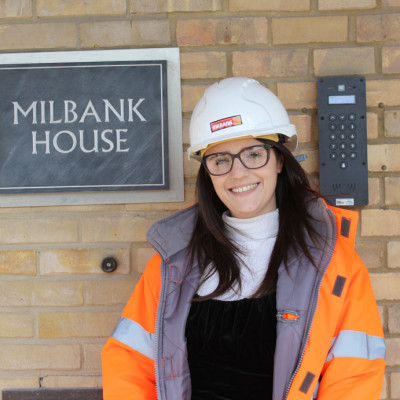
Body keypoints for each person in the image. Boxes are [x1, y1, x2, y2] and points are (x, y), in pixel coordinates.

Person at [102, 77, 385, 400]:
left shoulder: (334, 266)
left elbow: (353, 379)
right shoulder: (172, 266)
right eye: (220, 159)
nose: (238, 173)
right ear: (207, 172)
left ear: (279, 159)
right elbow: (128, 366)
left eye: (253, 154)